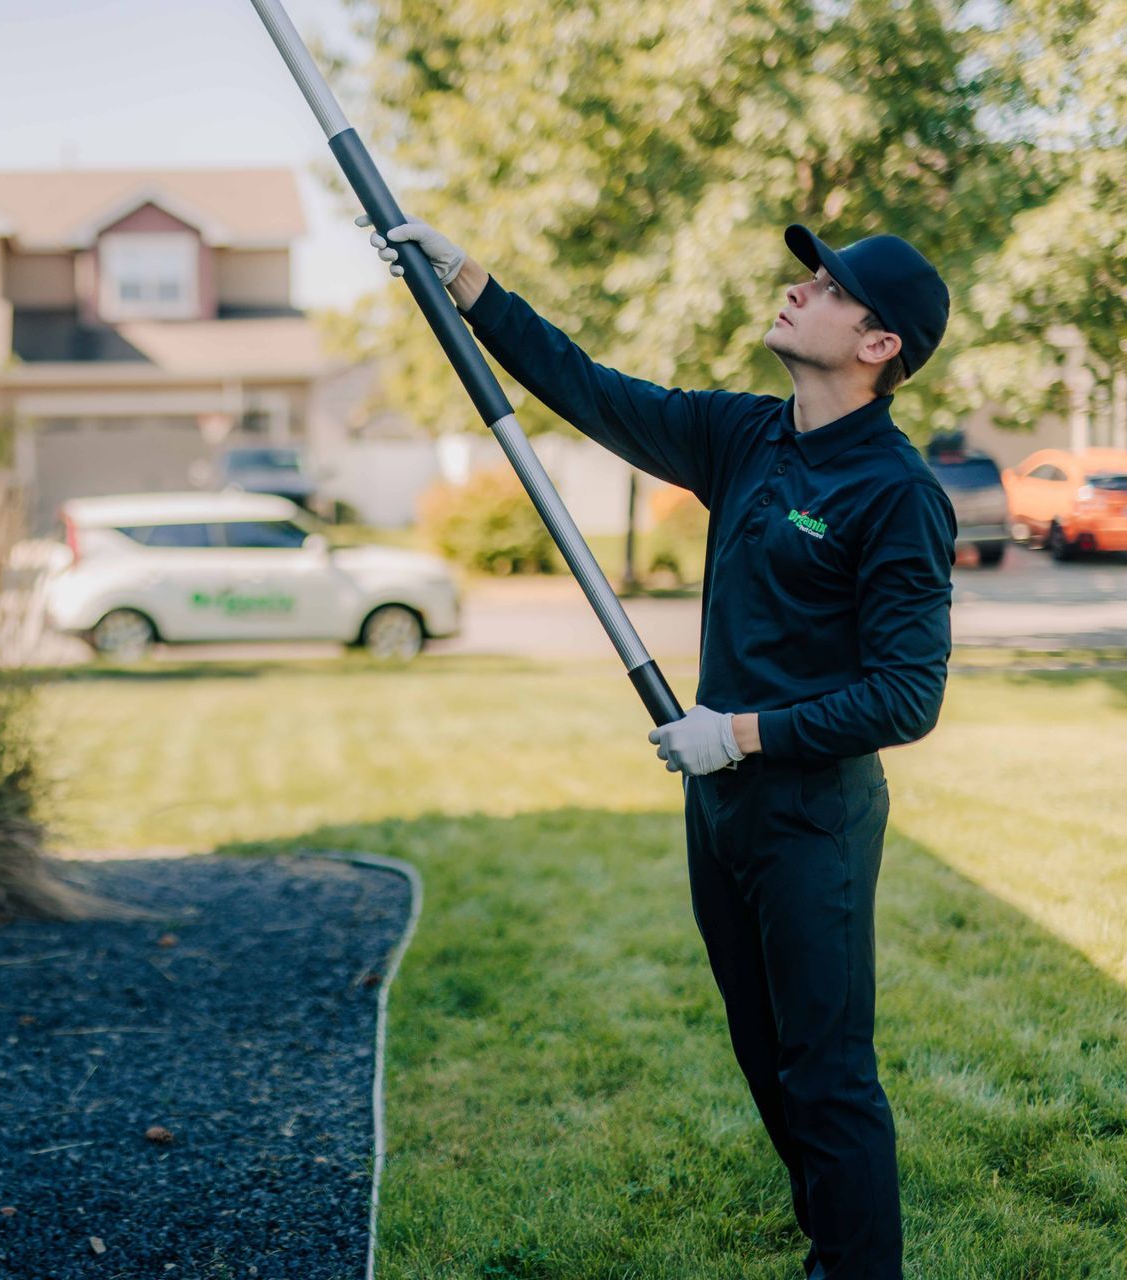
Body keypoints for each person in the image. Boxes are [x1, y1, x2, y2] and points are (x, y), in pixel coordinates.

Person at [361, 212, 955, 1280]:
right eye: (807, 277)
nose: (797, 290)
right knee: (765, 1055)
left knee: (827, 1072)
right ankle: (832, 1235)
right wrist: (469, 282)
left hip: (811, 812)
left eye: (826, 287)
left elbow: (907, 696)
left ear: (879, 346)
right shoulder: (746, 437)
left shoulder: (897, 492)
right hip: (720, 801)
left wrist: (737, 731)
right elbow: (589, 389)